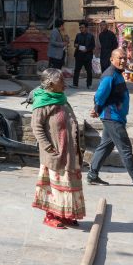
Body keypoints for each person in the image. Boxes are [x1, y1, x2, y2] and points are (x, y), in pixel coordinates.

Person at [87, 48, 133, 192]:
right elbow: (100, 95)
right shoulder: (110, 75)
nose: (123, 61)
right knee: (125, 149)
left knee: (105, 146)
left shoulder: (117, 74)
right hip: (112, 118)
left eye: (124, 58)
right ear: (112, 59)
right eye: (119, 58)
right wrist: (97, 108)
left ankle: (92, 175)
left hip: (116, 116)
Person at [31, 68, 86, 229]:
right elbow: (36, 127)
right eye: (61, 81)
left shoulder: (61, 99)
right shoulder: (42, 102)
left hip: (69, 151)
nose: (65, 85)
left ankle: (64, 215)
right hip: (54, 152)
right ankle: (50, 216)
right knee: (53, 187)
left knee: (68, 184)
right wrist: (49, 148)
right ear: (50, 83)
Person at [72, 21, 96, 89]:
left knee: (89, 71)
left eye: (82, 27)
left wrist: (87, 49)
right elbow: (75, 44)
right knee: (77, 70)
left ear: (86, 28)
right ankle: (75, 84)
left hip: (87, 56)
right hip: (79, 55)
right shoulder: (78, 35)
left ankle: (89, 84)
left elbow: (93, 46)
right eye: (80, 28)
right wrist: (77, 45)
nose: (81, 29)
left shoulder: (91, 36)